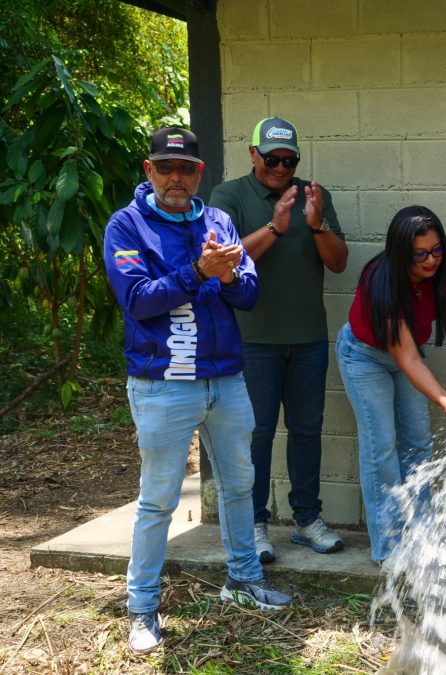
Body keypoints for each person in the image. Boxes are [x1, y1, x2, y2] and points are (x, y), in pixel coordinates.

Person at [103, 128, 292, 655]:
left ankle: (244, 581)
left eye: (186, 169)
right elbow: (138, 300)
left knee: (239, 486)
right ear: (149, 170)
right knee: (157, 502)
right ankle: (142, 608)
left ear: (200, 172)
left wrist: (229, 277)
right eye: (165, 167)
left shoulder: (219, 221)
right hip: (163, 384)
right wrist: (197, 272)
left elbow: (249, 294)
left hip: (225, 379)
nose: (176, 178)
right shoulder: (127, 225)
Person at [209, 117, 349, 562]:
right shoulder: (228, 196)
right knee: (257, 434)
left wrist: (318, 223)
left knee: (307, 431)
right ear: (252, 154)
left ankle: (307, 519)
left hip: (307, 338)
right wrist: (275, 227)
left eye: (290, 160)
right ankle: (255, 523)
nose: (281, 168)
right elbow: (224, 259)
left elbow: (340, 263)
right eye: (272, 159)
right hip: (254, 340)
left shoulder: (312, 195)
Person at [336, 205, 446, 563]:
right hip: (365, 357)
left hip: (409, 352)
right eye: (421, 254)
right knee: (381, 449)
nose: (432, 261)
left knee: (417, 442)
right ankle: (390, 548)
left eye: (437, 249)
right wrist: (444, 399)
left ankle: (421, 535)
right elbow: (408, 358)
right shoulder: (380, 283)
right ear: (400, 254)